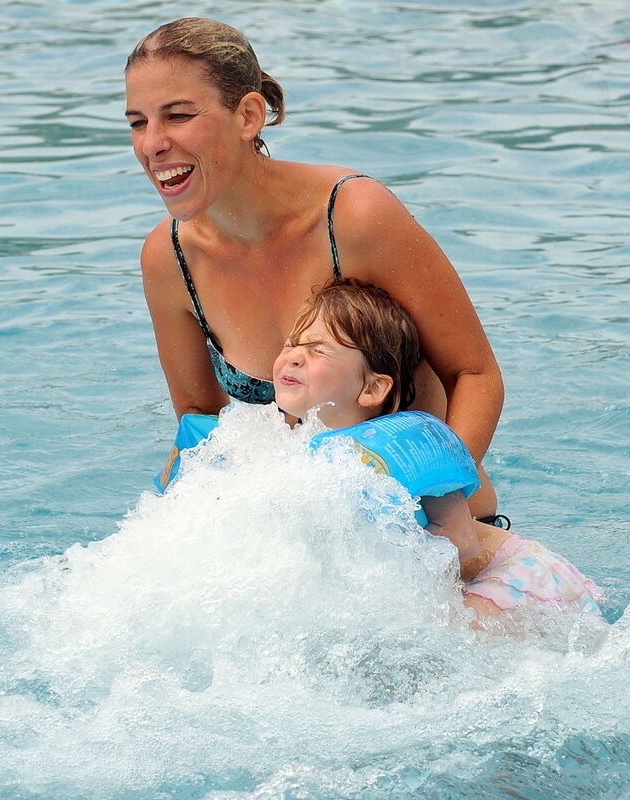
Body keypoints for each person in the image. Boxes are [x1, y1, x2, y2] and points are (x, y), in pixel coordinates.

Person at [125, 17, 503, 521]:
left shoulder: (354, 216)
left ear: (249, 116)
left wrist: (441, 511)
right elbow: (203, 423)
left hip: (446, 539)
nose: (151, 144)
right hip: (319, 540)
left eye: (177, 116)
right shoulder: (169, 258)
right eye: (137, 122)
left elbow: (475, 374)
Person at [271, 279, 603, 616]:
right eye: (290, 344)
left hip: (522, 578)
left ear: (372, 388)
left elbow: (461, 543)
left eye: (318, 350)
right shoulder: (297, 447)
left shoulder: (408, 445)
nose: (294, 357)